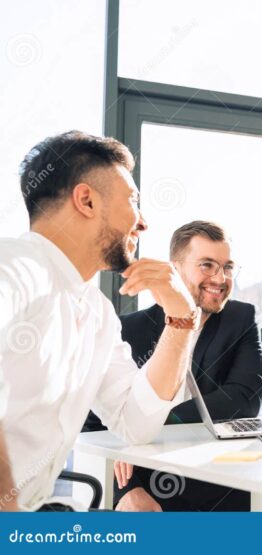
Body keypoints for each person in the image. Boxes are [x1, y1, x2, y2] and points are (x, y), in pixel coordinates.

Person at [0, 131, 198, 511]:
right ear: (87, 200)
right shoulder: (16, 267)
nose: (143, 223)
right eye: (134, 202)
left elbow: (136, 423)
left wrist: (181, 318)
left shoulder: (98, 312)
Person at [83, 221, 262, 511]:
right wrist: (129, 489)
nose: (220, 278)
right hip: (140, 474)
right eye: (207, 265)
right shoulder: (129, 328)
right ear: (175, 269)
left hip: (217, 477)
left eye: (227, 267)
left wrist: (144, 421)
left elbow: (244, 400)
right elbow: (94, 422)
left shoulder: (240, 319)